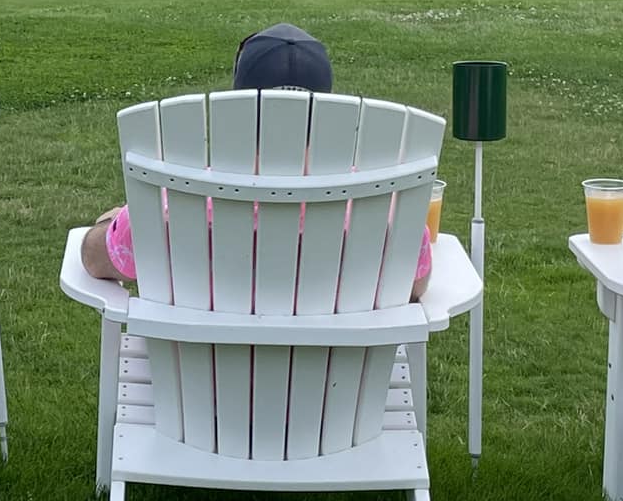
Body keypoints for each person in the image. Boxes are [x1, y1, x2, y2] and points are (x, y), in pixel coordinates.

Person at [78, 23, 434, 302]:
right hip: (334, 389)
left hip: (203, 387)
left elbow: (95, 260)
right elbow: (415, 285)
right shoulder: (379, 203)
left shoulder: (179, 198)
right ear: (326, 105)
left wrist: (113, 220)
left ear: (241, 102)